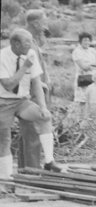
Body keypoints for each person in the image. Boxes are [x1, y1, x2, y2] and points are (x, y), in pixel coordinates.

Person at [0, 29, 63, 181]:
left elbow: (36, 83)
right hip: (3, 102)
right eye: (27, 41)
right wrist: (25, 66)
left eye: (31, 40)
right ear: (16, 44)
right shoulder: (2, 56)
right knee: (4, 140)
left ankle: (49, 161)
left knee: (44, 117)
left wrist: (43, 107)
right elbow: (8, 85)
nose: (31, 44)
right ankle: (6, 178)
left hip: (21, 100)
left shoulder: (31, 53)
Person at [18, 10, 50, 170]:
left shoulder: (32, 40)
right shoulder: (26, 42)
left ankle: (25, 170)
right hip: (32, 93)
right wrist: (39, 84)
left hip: (34, 92)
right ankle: (32, 171)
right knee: (33, 132)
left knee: (29, 133)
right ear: (36, 23)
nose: (46, 26)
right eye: (43, 22)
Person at [72, 32, 96, 116]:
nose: (86, 42)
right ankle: (82, 118)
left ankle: (91, 118)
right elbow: (83, 66)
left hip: (94, 78)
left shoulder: (92, 50)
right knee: (83, 100)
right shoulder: (77, 51)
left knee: (94, 98)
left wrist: (90, 64)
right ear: (80, 41)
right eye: (84, 40)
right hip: (83, 78)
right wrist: (95, 64)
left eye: (88, 40)